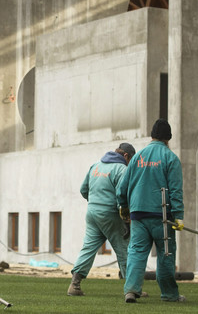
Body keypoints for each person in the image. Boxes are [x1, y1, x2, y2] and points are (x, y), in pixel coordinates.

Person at [116, 119, 185, 303]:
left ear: (152, 135)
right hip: (161, 216)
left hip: (138, 214)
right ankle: (169, 294)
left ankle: (131, 290)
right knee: (166, 253)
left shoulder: (137, 157)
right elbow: (176, 190)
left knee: (137, 252)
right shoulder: (170, 158)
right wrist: (178, 216)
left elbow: (122, 187)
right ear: (168, 138)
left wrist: (123, 207)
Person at [67, 142, 136, 296]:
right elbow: (122, 196)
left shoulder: (95, 166)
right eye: (131, 159)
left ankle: (75, 285)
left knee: (88, 248)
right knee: (124, 248)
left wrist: (95, 202)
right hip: (110, 214)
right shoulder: (121, 169)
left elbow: (83, 190)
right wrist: (126, 220)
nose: (130, 163)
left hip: (92, 213)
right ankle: (131, 289)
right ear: (125, 155)